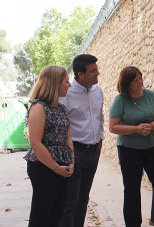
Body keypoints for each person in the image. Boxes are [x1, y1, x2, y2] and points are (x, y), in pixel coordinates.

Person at [109, 66, 154, 227]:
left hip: (152, 146)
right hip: (129, 149)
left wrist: (151, 126)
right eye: (134, 80)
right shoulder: (120, 100)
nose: (139, 82)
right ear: (126, 83)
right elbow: (113, 127)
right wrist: (136, 129)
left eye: (140, 78)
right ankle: (133, 223)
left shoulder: (150, 95)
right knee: (132, 187)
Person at [24, 65, 74, 227]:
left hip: (62, 166)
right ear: (55, 83)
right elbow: (35, 143)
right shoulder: (39, 107)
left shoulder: (61, 108)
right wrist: (55, 167)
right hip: (44, 166)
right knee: (42, 215)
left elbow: (68, 137)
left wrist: (71, 161)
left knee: (57, 214)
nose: (70, 85)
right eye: (66, 81)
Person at [59, 54, 104, 227]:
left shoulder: (97, 91)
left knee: (83, 197)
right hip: (74, 150)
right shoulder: (66, 93)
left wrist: (100, 140)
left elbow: (100, 117)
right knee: (71, 199)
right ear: (80, 75)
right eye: (93, 71)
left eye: (96, 70)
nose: (97, 74)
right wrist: (68, 151)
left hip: (93, 150)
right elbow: (63, 124)